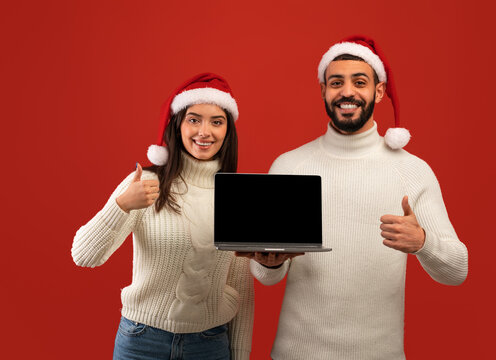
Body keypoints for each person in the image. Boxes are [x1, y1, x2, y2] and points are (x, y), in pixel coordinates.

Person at [242, 35, 469, 359]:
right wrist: (270, 262)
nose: (347, 91)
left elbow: (457, 270)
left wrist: (423, 242)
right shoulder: (290, 165)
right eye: (336, 82)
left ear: (378, 91)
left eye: (359, 82)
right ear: (323, 90)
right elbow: (265, 277)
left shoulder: (411, 170)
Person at [72, 73, 254, 360]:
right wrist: (121, 206)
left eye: (216, 122)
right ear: (178, 125)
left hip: (209, 344)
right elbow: (84, 256)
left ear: (227, 131)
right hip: (142, 341)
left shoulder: (238, 197)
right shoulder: (144, 183)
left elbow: (242, 285)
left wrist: (240, 354)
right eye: (194, 119)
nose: (204, 131)